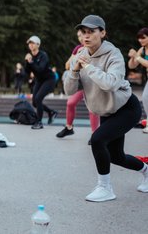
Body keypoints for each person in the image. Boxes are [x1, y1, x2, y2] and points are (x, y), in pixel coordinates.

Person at [64, 15, 148, 202]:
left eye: (91, 32)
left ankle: (105, 187)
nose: (86, 36)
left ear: (102, 33)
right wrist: (75, 70)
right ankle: (146, 170)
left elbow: (110, 83)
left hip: (126, 108)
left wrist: (87, 67)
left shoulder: (113, 54)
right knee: (116, 157)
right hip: (106, 111)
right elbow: (69, 90)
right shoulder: (80, 55)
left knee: (97, 140)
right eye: (83, 32)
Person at [56, 30, 100, 141]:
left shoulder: (95, 47)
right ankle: (69, 127)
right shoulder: (78, 49)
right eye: (79, 36)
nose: (81, 38)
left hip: (93, 83)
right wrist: (75, 56)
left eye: (83, 35)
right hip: (82, 83)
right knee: (70, 102)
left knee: (92, 108)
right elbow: (67, 66)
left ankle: (95, 134)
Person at [24, 35, 58, 129]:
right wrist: (27, 62)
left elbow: (40, 69)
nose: (30, 45)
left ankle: (39, 122)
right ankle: (51, 112)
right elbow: (26, 72)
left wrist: (31, 62)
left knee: (38, 98)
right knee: (34, 102)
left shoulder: (43, 55)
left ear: (38, 45)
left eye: (32, 43)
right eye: (29, 43)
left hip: (49, 79)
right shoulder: (30, 56)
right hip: (39, 80)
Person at [127, 27, 148, 133]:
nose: (140, 40)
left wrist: (137, 57)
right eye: (139, 38)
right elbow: (132, 66)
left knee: (145, 96)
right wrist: (132, 57)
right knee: (145, 97)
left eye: (143, 37)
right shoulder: (142, 49)